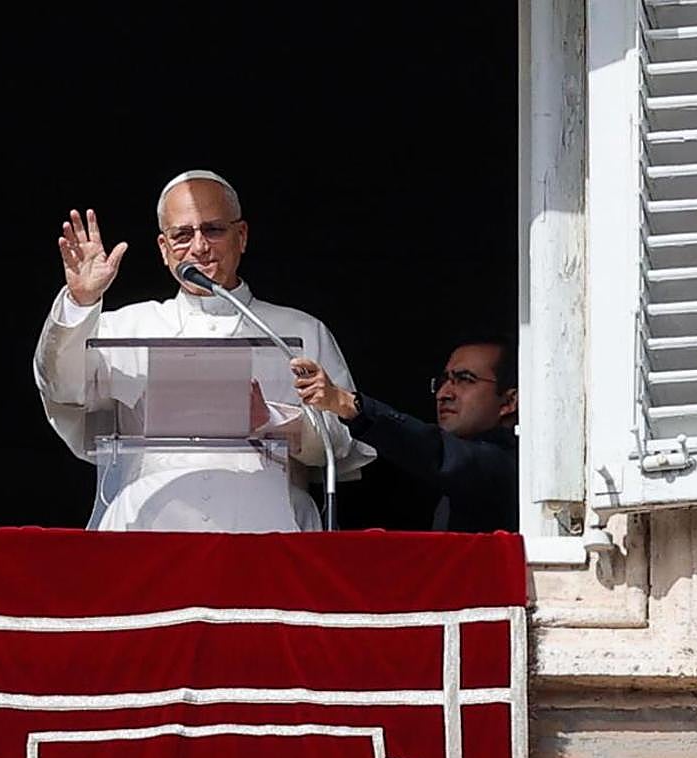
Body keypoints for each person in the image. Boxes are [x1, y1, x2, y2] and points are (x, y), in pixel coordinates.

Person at [34, 169, 373, 531]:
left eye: (213, 230)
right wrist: (81, 302)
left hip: (269, 528)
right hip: (147, 527)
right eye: (182, 235)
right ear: (164, 249)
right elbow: (61, 388)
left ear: (241, 236)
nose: (199, 247)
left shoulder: (299, 330)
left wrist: (271, 419)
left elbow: (340, 442)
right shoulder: (124, 327)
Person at [291, 337, 518, 532]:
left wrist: (346, 403)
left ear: (509, 401)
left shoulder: (514, 466)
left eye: (465, 379)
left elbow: (437, 452)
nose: (443, 393)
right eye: (443, 381)